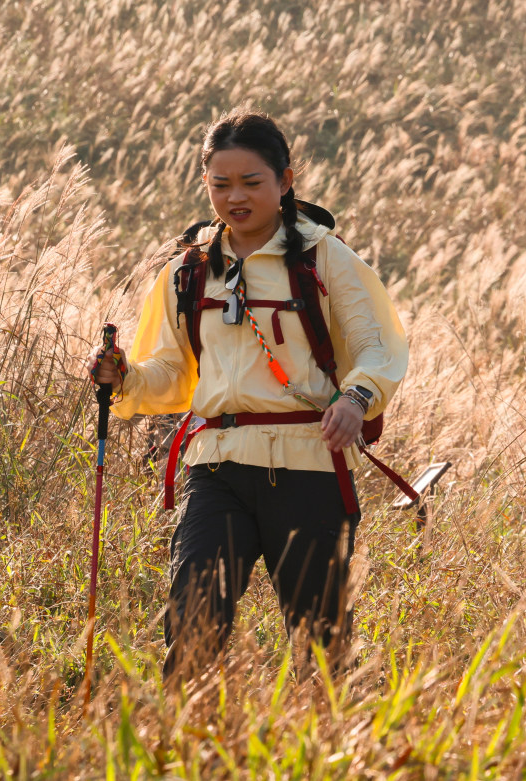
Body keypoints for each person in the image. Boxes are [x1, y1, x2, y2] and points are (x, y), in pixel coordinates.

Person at [89, 110, 409, 679]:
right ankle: (183, 755)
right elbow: (171, 372)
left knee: (322, 646)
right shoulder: (187, 270)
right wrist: (125, 378)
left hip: (309, 467)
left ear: (286, 181)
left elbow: (379, 348)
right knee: (191, 623)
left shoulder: (325, 258)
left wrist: (355, 400)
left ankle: (331, 754)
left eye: (251, 183)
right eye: (220, 184)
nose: (234, 197)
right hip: (217, 469)